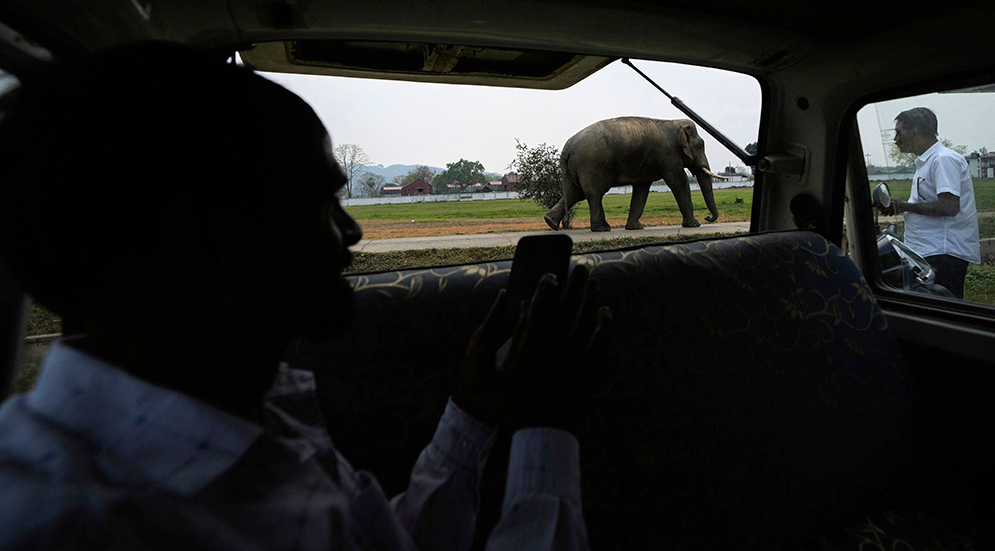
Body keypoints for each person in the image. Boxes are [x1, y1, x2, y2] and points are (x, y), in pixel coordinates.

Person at [0, 43, 611, 550]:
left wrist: (473, 413)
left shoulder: (243, 407)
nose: (352, 232)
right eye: (319, 203)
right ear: (202, 234)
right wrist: (546, 424)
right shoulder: (68, 525)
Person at [884, 107, 980, 298]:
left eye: (899, 132)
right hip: (931, 252)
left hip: (943, 253)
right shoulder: (927, 162)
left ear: (915, 131)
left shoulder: (943, 160)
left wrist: (903, 206)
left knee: (944, 308)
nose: (895, 139)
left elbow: (949, 206)